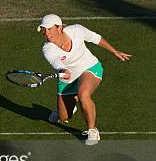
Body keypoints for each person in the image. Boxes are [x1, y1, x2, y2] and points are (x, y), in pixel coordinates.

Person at [38, 14, 132, 145]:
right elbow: (56, 62)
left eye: (49, 29)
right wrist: (63, 70)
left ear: (59, 27)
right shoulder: (47, 48)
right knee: (63, 117)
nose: (46, 33)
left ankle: (92, 131)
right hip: (68, 78)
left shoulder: (77, 30)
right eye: (44, 30)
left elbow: (96, 38)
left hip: (89, 68)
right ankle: (68, 106)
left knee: (83, 94)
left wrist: (114, 51)